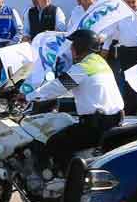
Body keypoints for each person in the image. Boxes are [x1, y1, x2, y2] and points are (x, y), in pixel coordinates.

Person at [23, 29, 123, 174]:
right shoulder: (100, 63)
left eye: (73, 45)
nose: (70, 48)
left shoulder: (83, 68)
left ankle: (66, 181)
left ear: (79, 47)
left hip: (96, 126)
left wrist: (27, 96)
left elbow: (58, 87)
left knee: (53, 143)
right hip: (113, 119)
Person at [102, 0, 137, 115]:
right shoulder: (119, 15)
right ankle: (130, 106)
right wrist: (105, 48)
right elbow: (110, 33)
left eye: (134, 2)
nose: (131, 5)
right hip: (125, 51)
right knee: (127, 79)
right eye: (128, 2)